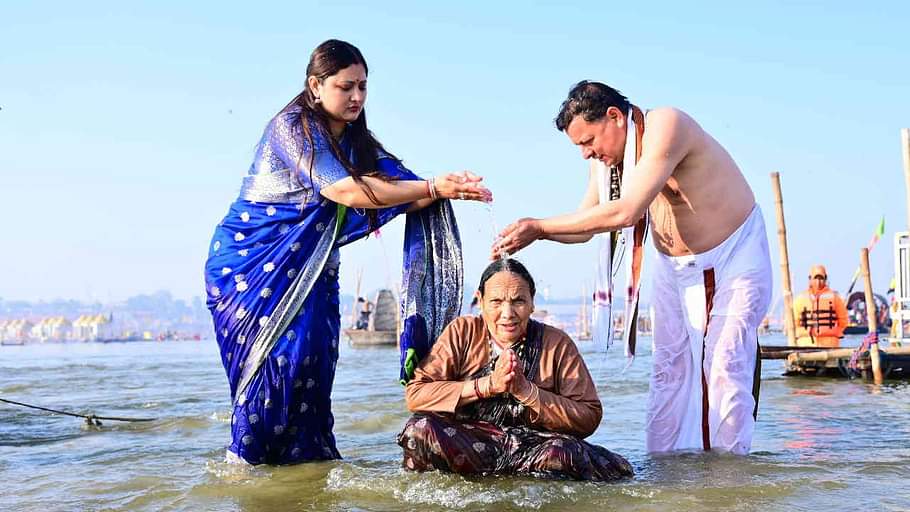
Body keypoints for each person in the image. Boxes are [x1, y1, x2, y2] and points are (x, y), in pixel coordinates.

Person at [204, 39, 491, 465]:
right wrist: (432, 186)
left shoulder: (358, 143)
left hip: (314, 271)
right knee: (273, 370)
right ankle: (247, 471)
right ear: (315, 85)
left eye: (363, 87)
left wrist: (447, 188)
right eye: (345, 87)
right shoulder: (293, 128)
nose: (357, 97)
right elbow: (344, 189)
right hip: (250, 269)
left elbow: (400, 193)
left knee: (312, 367)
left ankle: (307, 473)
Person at [493, 81, 771, 455]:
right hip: (675, 267)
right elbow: (585, 225)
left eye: (588, 142)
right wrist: (535, 234)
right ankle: (668, 475)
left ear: (614, 118)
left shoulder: (666, 125)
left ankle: (729, 481)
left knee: (724, 366)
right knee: (667, 374)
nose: (586, 154)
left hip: (734, 254)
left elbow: (626, 212)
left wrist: (540, 226)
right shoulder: (606, 165)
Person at [398, 259, 633, 481]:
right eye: (496, 302)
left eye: (518, 301)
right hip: (472, 445)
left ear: (532, 303)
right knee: (419, 430)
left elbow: (589, 417)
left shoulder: (556, 343)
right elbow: (416, 395)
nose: (508, 314)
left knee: (563, 452)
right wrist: (487, 386)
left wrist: (526, 391)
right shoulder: (462, 332)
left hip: (534, 451)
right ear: (480, 301)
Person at [793, 264, 848, 347]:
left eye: (821, 278)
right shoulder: (800, 299)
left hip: (830, 345)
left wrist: (833, 331)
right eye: (815, 278)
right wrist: (803, 332)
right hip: (805, 345)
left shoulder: (834, 298)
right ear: (810, 279)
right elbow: (793, 323)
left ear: (825, 279)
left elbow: (844, 321)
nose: (818, 282)